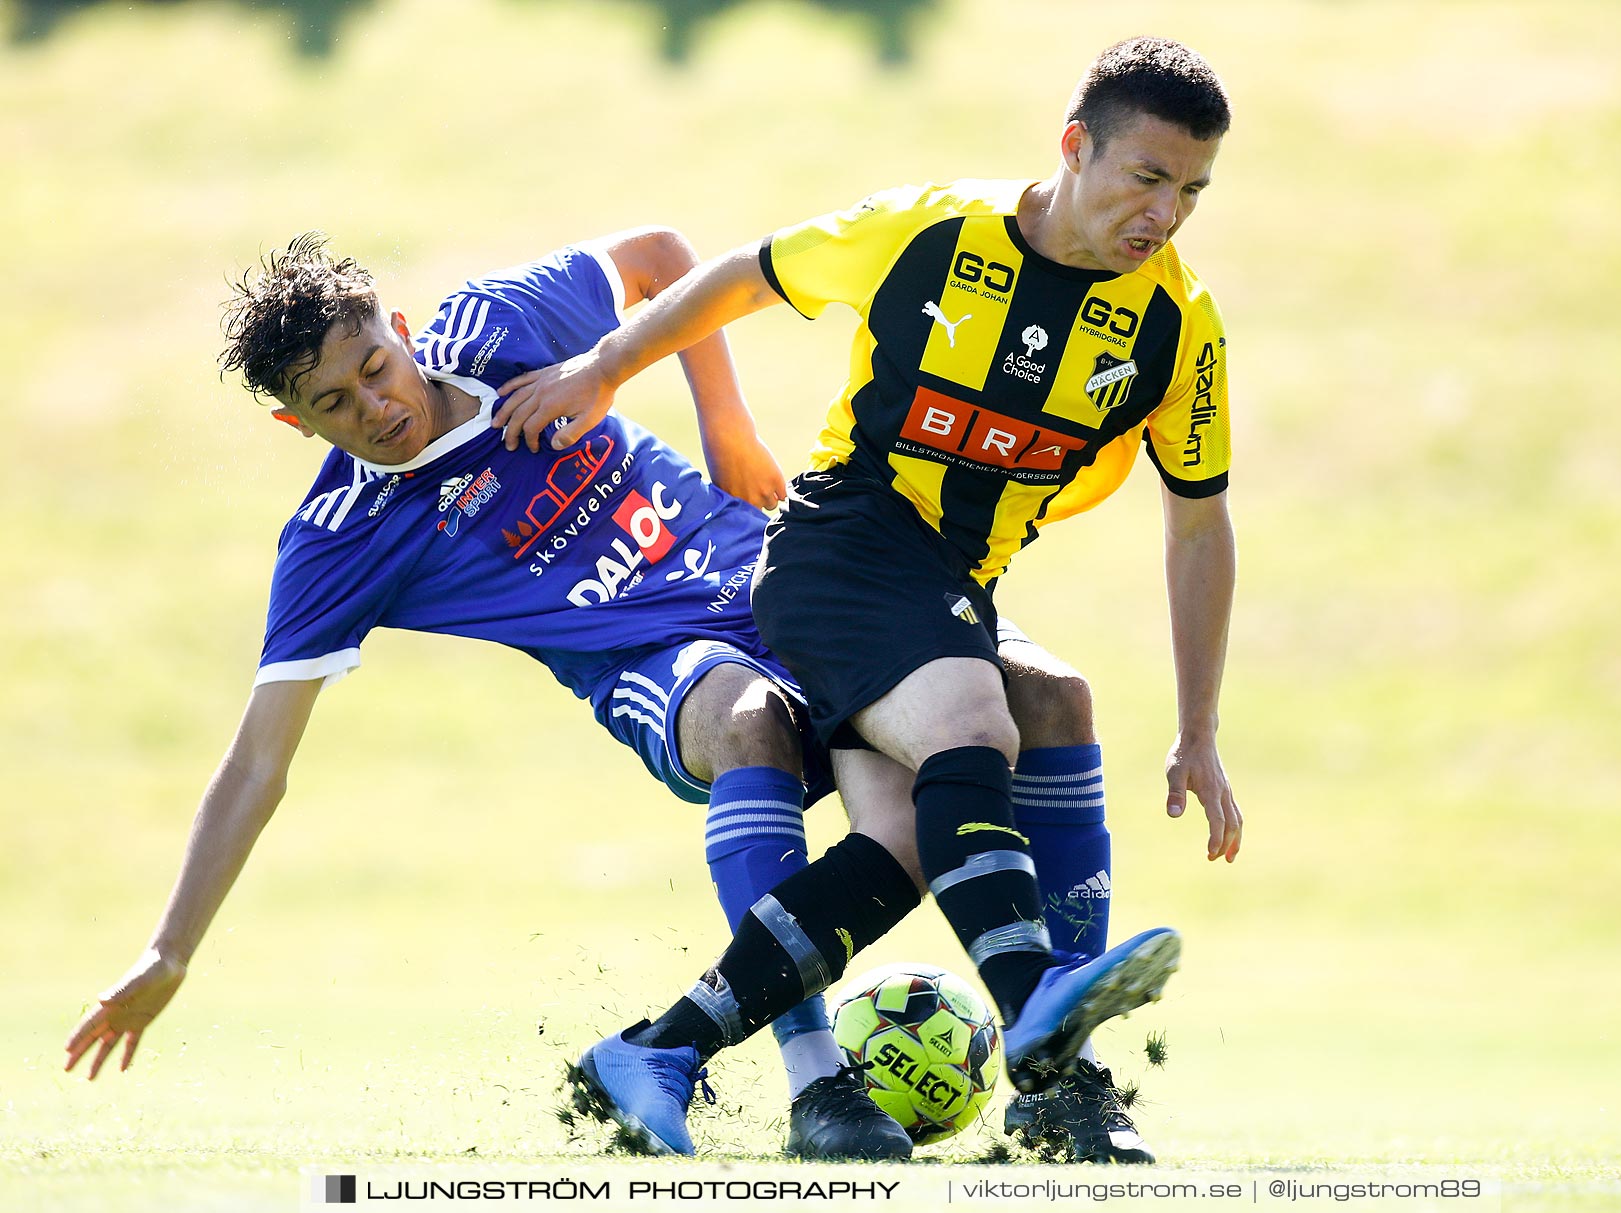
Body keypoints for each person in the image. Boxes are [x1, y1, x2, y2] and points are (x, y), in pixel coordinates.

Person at [60, 230, 1125, 1161]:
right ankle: (819, 1084)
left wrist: (725, 419)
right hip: (655, 665)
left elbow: (663, 258)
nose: (374, 407)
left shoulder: (499, 322)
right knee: (751, 721)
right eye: (331, 404)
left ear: (400, 325)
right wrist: (169, 950)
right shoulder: (337, 542)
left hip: (785, 579)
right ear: (296, 425)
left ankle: (1069, 1081)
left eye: (374, 367)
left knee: (1048, 696)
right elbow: (256, 761)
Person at [496, 36, 1242, 1161]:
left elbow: (1198, 522)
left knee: (908, 831)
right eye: (1147, 178)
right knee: (977, 722)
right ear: (1075, 146)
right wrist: (604, 368)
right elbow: (744, 272)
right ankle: (1046, 1011)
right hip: (839, 547)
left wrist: (1198, 730)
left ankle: (657, 1050)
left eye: (1192, 191)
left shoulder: (1176, 326)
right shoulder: (934, 234)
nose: (1167, 214)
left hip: (951, 586)